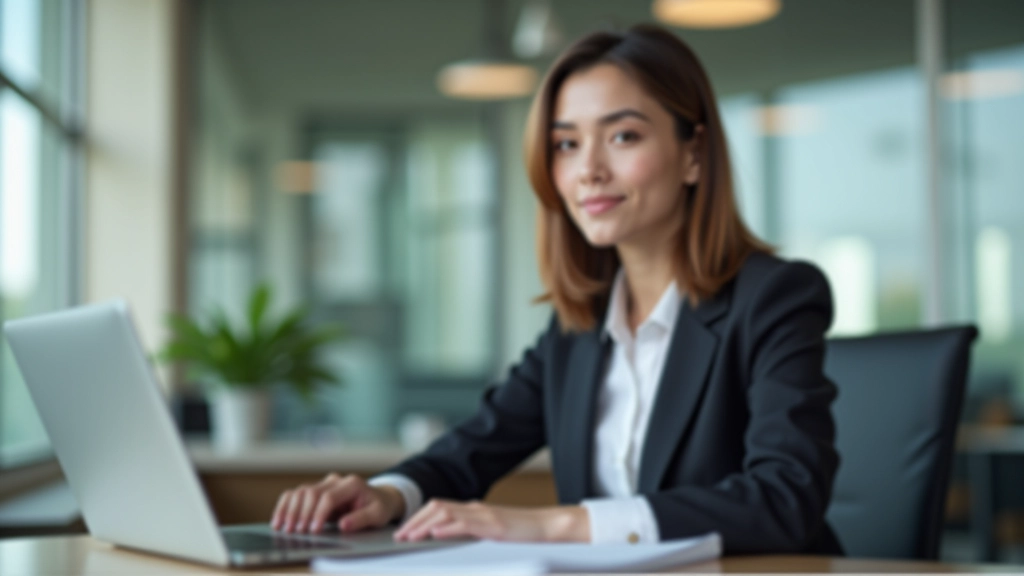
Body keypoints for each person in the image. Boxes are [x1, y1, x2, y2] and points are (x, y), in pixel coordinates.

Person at [271, 23, 843, 554]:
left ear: (693, 154)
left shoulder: (774, 298)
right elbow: (472, 448)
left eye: (622, 136)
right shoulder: (581, 325)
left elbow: (786, 496)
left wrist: (553, 523)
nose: (588, 169)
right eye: (567, 144)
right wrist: (389, 495)